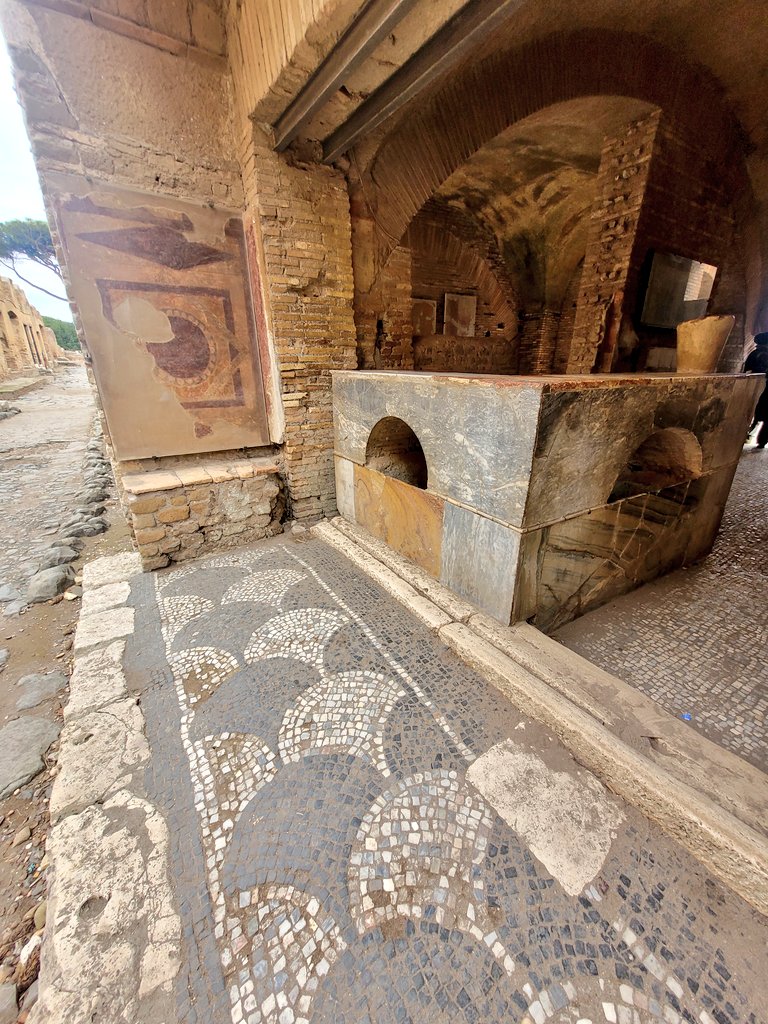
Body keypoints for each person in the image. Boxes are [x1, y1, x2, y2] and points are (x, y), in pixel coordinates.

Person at [744, 332, 768, 449]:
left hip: (758, 389)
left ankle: (751, 436)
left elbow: (746, 370)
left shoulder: (755, 353)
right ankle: (758, 440)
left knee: (755, 414)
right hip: (760, 388)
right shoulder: (759, 354)